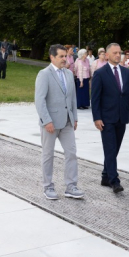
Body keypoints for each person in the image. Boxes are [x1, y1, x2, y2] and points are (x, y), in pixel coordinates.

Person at [91, 43, 129, 193]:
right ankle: (114, 181)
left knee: (114, 149)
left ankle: (105, 176)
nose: (117, 55)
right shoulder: (100, 73)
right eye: (114, 52)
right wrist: (97, 118)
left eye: (119, 52)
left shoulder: (127, 73)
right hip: (106, 118)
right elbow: (95, 99)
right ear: (107, 55)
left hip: (122, 117)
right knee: (110, 148)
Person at [35, 44, 83, 200]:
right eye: (61, 56)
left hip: (67, 122)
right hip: (50, 124)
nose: (65, 59)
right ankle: (48, 186)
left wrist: (74, 118)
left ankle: (71, 186)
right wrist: (46, 120)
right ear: (52, 57)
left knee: (71, 153)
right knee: (48, 155)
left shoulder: (69, 74)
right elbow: (39, 100)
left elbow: (73, 98)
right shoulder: (44, 74)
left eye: (66, 56)